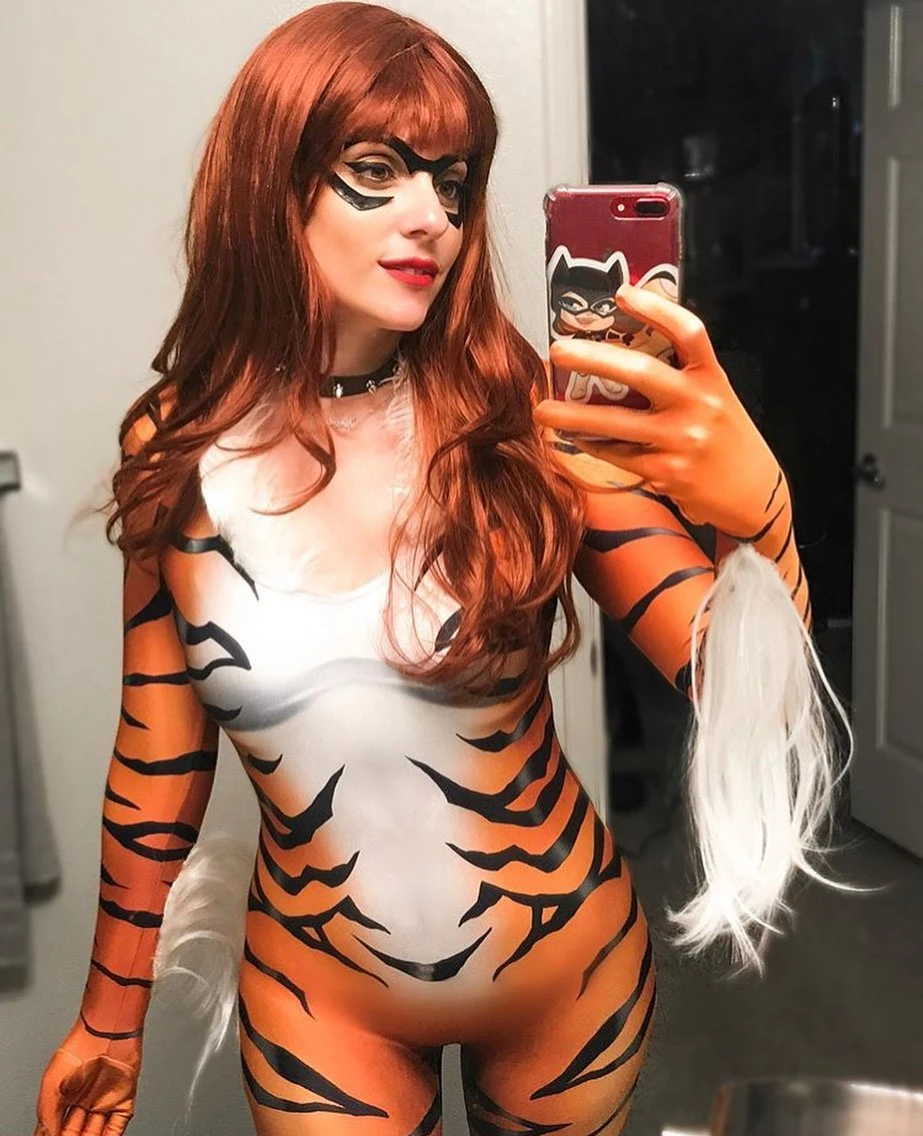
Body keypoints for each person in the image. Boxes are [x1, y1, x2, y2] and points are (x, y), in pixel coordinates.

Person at [33, 5, 845, 1135]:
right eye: (378, 171)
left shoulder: (526, 417)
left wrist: (759, 520)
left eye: (452, 184)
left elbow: (746, 696)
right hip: (320, 1001)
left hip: (564, 976)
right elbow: (156, 761)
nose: (433, 218)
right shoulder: (173, 445)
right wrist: (108, 1019)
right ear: (269, 180)